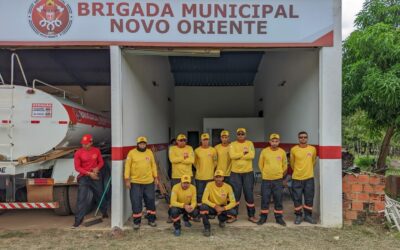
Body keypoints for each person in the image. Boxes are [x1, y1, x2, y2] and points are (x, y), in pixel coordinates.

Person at [72, 134, 108, 228]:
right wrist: (88, 173)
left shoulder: (96, 150)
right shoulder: (78, 153)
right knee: (81, 198)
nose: (84, 145)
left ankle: (104, 212)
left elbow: (101, 162)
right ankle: (78, 220)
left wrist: (97, 168)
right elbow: (77, 167)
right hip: (84, 177)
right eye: (83, 144)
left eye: (86, 144)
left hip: (95, 175)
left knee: (100, 194)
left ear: (91, 143)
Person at [124, 136, 158, 230]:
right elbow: (127, 166)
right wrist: (127, 179)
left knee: (150, 200)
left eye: (144, 143)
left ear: (146, 144)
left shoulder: (149, 152)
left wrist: (156, 177)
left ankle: (151, 220)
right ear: (137, 144)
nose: (142, 145)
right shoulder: (132, 153)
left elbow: (153, 165)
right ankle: (137, 222)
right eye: (140, 143)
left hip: (149, 182)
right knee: (136, 202)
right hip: (135, 182)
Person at [257, 133, 288, 226]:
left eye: (276, 141)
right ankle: (263, 218)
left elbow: (285, 165)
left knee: (278, 199)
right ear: (269, 142)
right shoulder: (264, 151)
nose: (274, 143)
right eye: (272, 141)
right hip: (266, 180)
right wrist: (265, 173)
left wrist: (281, 175)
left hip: (278, 180)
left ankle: (279, 218)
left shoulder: (282, 152)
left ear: (279, 142)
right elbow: (260, 164)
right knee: (265, 199)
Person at [228, 128, 257, 223]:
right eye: (239, 134)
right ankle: (233, 215)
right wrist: (244, 153)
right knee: (235, 195)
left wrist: (239, 156)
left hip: (248, 173)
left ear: (245, 134)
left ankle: (251, 215)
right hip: (235, 173)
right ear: (236, 135)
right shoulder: (232, 144)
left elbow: (252, 155)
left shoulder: (249, 143)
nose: (240, 135)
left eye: (242, 134)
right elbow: (232, 156)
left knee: (249, 194)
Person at [290, 131, 317, 225]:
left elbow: (313, 162)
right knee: (297, 198)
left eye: (305, 137)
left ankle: (308, 216)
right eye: (301, 137)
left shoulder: (312, 149)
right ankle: (298, 216)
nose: (303, 139)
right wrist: (298, 171)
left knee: (309, 198)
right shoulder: (293, 149)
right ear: (298, 138)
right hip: (296, 178)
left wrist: (307, 170)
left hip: (309, 178)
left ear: (307, 138)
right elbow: (292, 164)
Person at [200, 170, 237, 237]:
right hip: (212, 206)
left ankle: (221, 220)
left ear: (223, 178)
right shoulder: (209, 185)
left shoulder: (228, 187)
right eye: (216, 177)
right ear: (214, 178)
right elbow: (204, 199)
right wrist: (215, 206)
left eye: (220, 177)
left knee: (233, 212)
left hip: (222, 207)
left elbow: (233, 202)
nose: (218, 179)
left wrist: (223, 208)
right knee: (203, 207)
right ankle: (207, 228)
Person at [194, 133, 217, 206]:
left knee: (209, 194)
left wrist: (211, 168)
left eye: (207, 139)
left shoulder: (213, 150)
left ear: (209, 140)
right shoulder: (197, 150)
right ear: (201, 140)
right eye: (204, 140)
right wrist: (198, 168)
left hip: (210, 176)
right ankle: (200, 210)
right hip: (199, 176)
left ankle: (209, 209)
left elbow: (215, 161)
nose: (205, 141)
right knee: (200, 194)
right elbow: (194, 162)